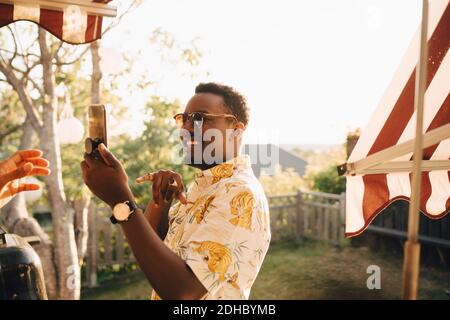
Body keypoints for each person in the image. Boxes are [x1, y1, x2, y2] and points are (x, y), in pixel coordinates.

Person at [81, 82, 271, 300]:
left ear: (236, 131)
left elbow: (183, 291)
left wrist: (120, 199)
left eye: (200, 118)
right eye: (184, 118)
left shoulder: (239, 193)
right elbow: (156, 258)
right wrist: (161, 202)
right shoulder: (202, 188)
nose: (186, 129)